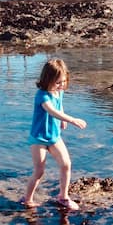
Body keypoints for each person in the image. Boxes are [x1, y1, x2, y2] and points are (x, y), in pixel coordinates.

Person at [23, 58, 87, 211]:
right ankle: (27, 200)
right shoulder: (42, 95)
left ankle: (63, 197)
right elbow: (51, 110)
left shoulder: (59, 92)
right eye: (57, 82)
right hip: (38, 139)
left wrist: (62, 119)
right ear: (47, 80)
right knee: (39, 171)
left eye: (63, 81)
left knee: (66, 164)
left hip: (54, 137)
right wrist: (71, 119)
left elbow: (59, 107)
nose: (61, 85)